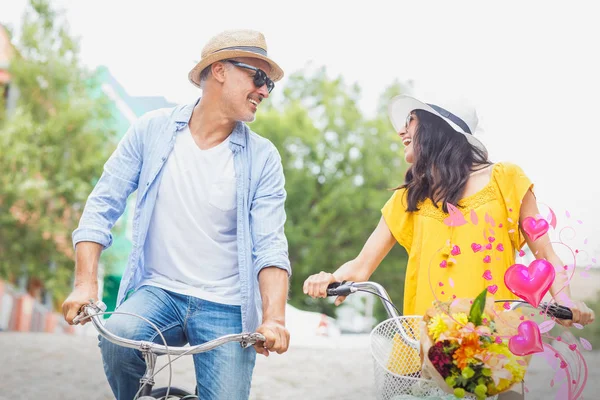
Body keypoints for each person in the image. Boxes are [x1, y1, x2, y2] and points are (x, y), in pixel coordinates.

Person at [62, 29, 291, 400]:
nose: (264, 91)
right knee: (119, 339)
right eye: (258, 77)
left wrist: (274, 318)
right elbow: (102, 205)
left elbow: (270, 246)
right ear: (219, 70)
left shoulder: (262, 158)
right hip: (158, 291)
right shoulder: (151, 131)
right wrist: (85, 284)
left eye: (269, 85)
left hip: (227, 306)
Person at [303, 94, 594, 327]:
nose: (401, 130)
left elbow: (546, 255)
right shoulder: (409, 199)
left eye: (411, 120)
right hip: (428, 343)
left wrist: (565, 300)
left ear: (436, 129)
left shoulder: (507, 179)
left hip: (497, 345)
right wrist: (329, 276)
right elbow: (361, 265)